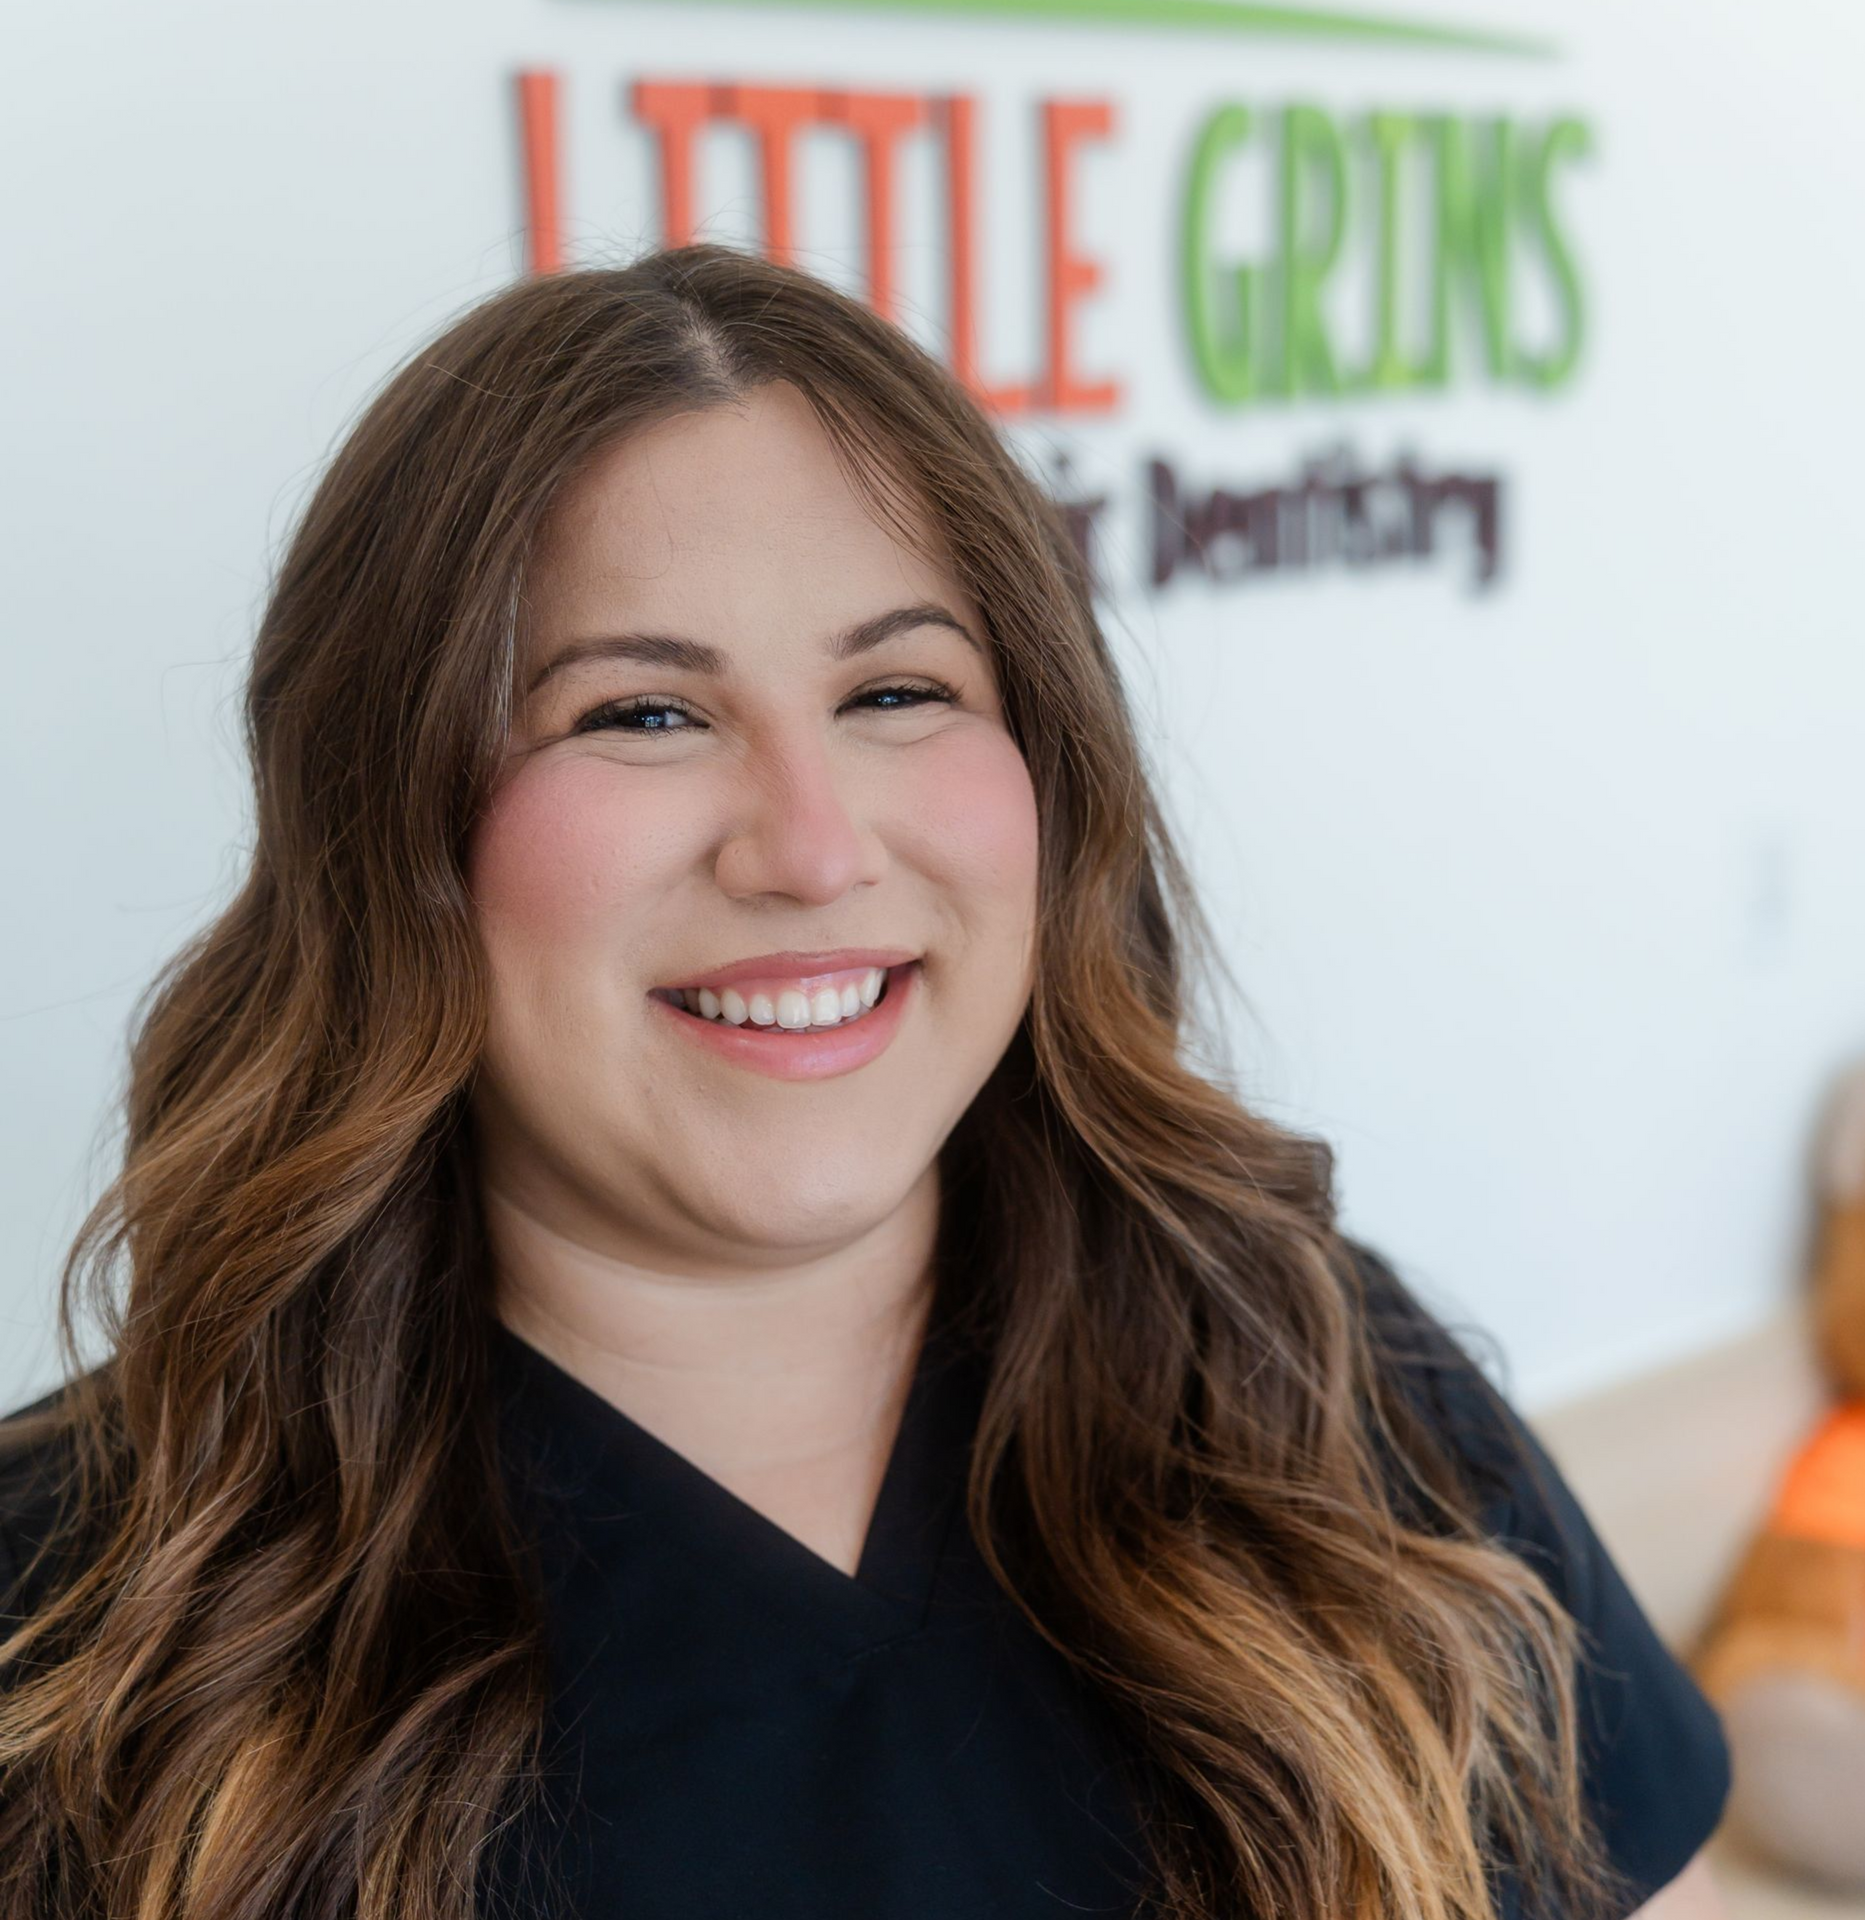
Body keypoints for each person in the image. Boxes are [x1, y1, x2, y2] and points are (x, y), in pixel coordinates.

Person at [0, 243, 1730, 1920]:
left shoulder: (1327, 1397)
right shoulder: (77, 1630)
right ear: (387, 836)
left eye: (898, 688)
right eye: (642, 716)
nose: (815, 851)